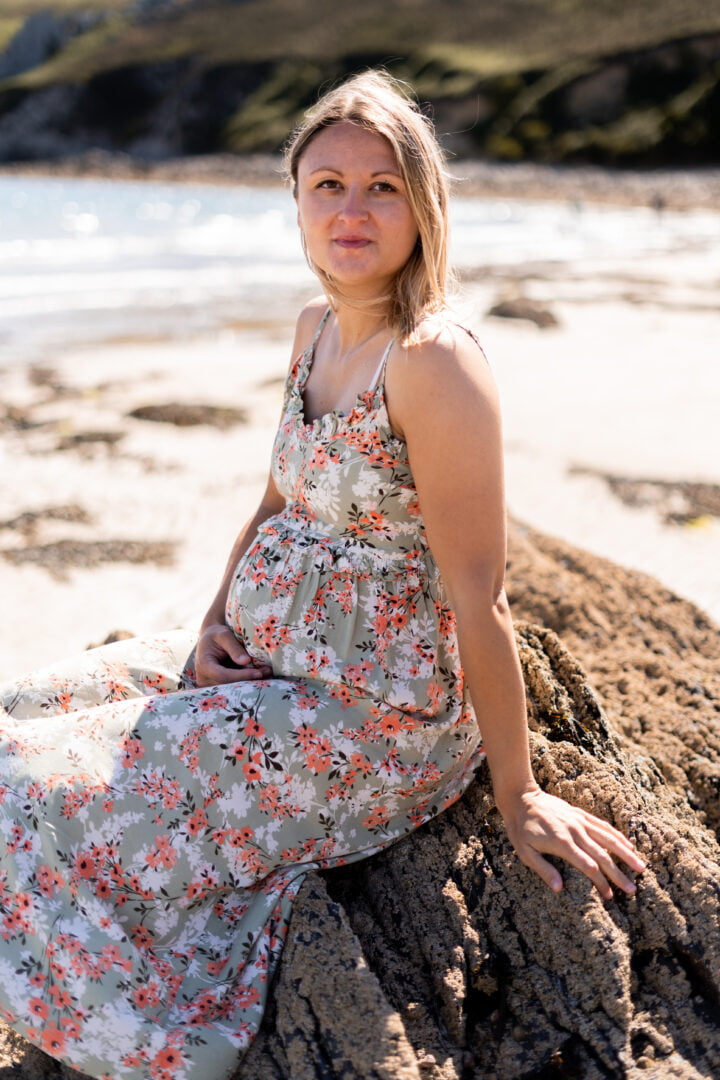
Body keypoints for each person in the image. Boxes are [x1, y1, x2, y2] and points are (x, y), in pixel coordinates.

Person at [0, 71, 645, 1080]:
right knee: (15, 710)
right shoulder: (314, 327)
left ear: (422, 206)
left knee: (22, 789)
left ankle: (169, 1044)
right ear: (295, 199)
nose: (352, 210)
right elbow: (276, 503)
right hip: (261, 658)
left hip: (370, 716)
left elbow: (484, 594)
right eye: (328, 184)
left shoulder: (435, 362)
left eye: (382, 187)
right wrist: (215, 621)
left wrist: (517, 795)